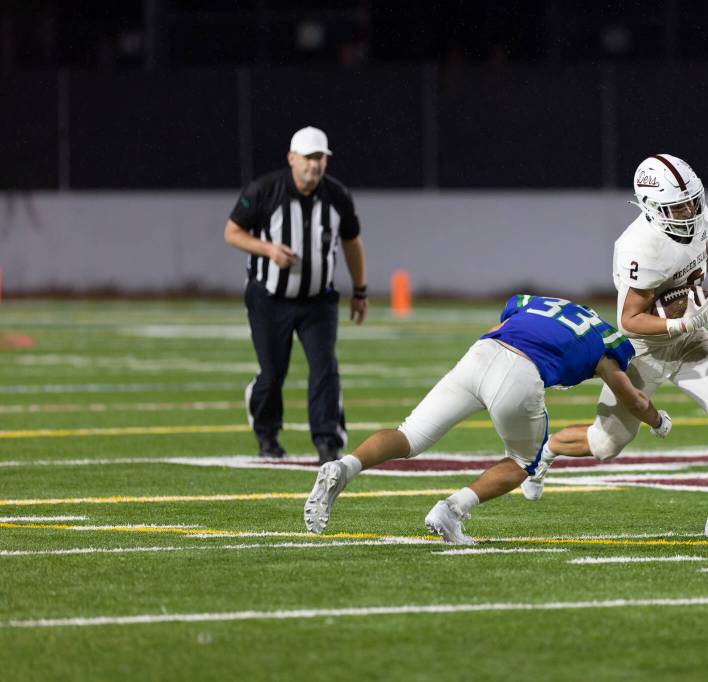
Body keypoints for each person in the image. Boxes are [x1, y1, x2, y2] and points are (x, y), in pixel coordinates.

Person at [521, 154, 708, 541]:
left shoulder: (696, 218)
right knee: (604, 444)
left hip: (690, 342)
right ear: (651, 207)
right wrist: (681, 321)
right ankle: (546, 450)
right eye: (677, 206)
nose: (689, 210)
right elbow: (629, 319)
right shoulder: (640, 246)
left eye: (691, 200)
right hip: (643, 350)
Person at [303, 294, 672, 543]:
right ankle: (451, 510)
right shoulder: (608, 342)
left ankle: (346, 466)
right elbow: (635, 400)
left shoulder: (534, 303)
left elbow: (506, 323)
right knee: (523, 462)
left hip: (480, 354)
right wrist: (658, 421)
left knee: (410, 434)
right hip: (520, 373)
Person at [224, 126, 367, 465]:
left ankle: (327, 441)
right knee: (273, 372)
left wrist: (360, 290)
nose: (314, 166)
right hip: (269, 297)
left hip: (318, 300)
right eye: (308, 158)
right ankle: (267, 433)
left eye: (320, 158)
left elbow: (352, 242)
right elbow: (232, 232)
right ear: (292, 158)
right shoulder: (265, 190)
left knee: (324, 367)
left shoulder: (337, 196)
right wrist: (267, 250)